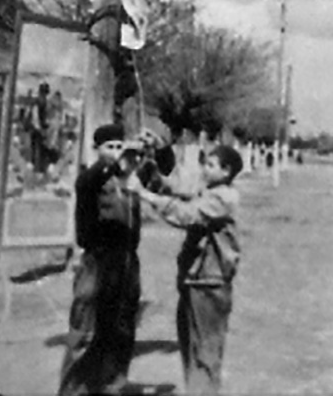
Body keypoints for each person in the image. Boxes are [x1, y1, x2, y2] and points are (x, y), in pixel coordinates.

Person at [132, 144, 243, 395]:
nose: (205, 168)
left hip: (209, 284)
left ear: (226, 172)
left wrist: (145, 195)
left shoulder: (224, 198)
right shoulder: (212, 190)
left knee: (205, 353)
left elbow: (187, 213)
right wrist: (158, 177)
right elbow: (182, 191)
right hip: (197, 281)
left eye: (211, 165)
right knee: (192, 349)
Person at [58, 123, 141, 396]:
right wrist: (112, 164)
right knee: (86, 324)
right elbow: (88, 183)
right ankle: (73, 388)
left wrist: (153, 150)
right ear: (97, 149)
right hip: (98, 258)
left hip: (126, 259)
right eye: (110, 147)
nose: (116, 152)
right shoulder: (91, 177)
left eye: (119, 146)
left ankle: (112, 382)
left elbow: (164, 172)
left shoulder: (129, 178)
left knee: (122, 324)